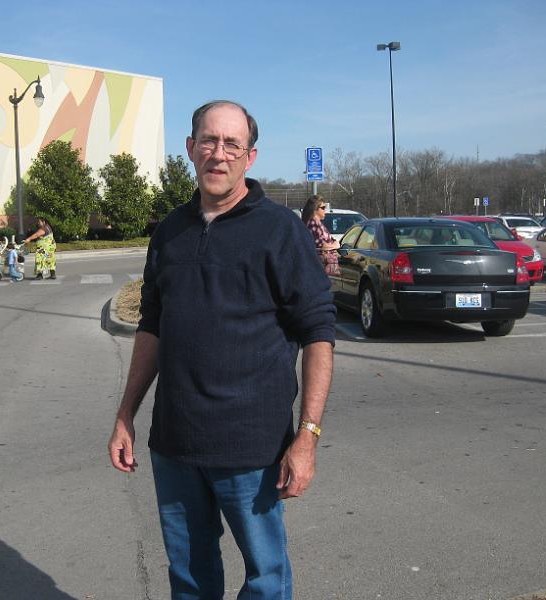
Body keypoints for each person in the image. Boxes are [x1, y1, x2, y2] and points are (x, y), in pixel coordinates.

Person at [108, 100, 336, 599]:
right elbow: (152, 327)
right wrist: (126, 414)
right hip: (175, 445)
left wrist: (308, 436)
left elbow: (319, 332)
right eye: (209, 141)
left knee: (266, 579)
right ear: (191, 148)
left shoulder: (280, 230)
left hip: (252, 449)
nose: (219, 153)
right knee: (189, 579)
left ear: (249, 157)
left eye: (233, 144)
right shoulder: (170, 232)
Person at [302, 195, 340, 277]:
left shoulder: (318, 224)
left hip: (323, 267)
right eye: (323, 208)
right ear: (314, 209)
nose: (324, 210)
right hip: (320, 267)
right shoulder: (313, 224)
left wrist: (334, 244)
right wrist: (334, 245)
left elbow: (333, 242)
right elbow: (322, 246)